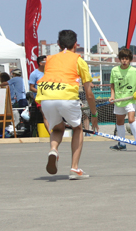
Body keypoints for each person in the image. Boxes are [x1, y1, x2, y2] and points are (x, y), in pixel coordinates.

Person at [35, 29, 99, 180]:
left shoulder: (49, 59)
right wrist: (94, 115)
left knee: (58, 128)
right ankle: (74, 168)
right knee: (77, 128)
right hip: (66, 97)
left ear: (58, 44)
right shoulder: (79, 60)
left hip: (46, 97)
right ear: (76, 44)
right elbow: (89, 94)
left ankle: (53, 150)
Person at [108, 48, 136, 152]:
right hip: (118, 100)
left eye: (126, 59)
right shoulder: (114, 70)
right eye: (122, 59)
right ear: (119, 60)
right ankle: (122, 144)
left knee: (131, 119)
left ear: (130, 60)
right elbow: (112, 85)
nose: (124, 61)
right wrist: (112, 96)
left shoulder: (134, 71)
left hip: (130, 100)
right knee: (119, 122)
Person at [28, 55, 49, 132]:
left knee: (53, 115)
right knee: (45, 115)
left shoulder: (49, 72)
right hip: (40, 98)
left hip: (50, 97)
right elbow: (31, 87)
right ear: (40, 63)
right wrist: (40, 91)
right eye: (45, 61)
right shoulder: (34, 74)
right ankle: (51, 133)